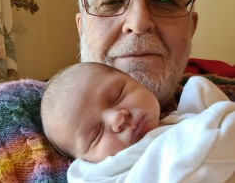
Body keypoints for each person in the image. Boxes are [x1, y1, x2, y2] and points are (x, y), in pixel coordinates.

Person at [40, 62, 235, 183]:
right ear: (83, 160)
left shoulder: (177, 120)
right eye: (96, 134)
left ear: (138, 83)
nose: (117, 118)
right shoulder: (100, 173)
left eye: (118, 95)